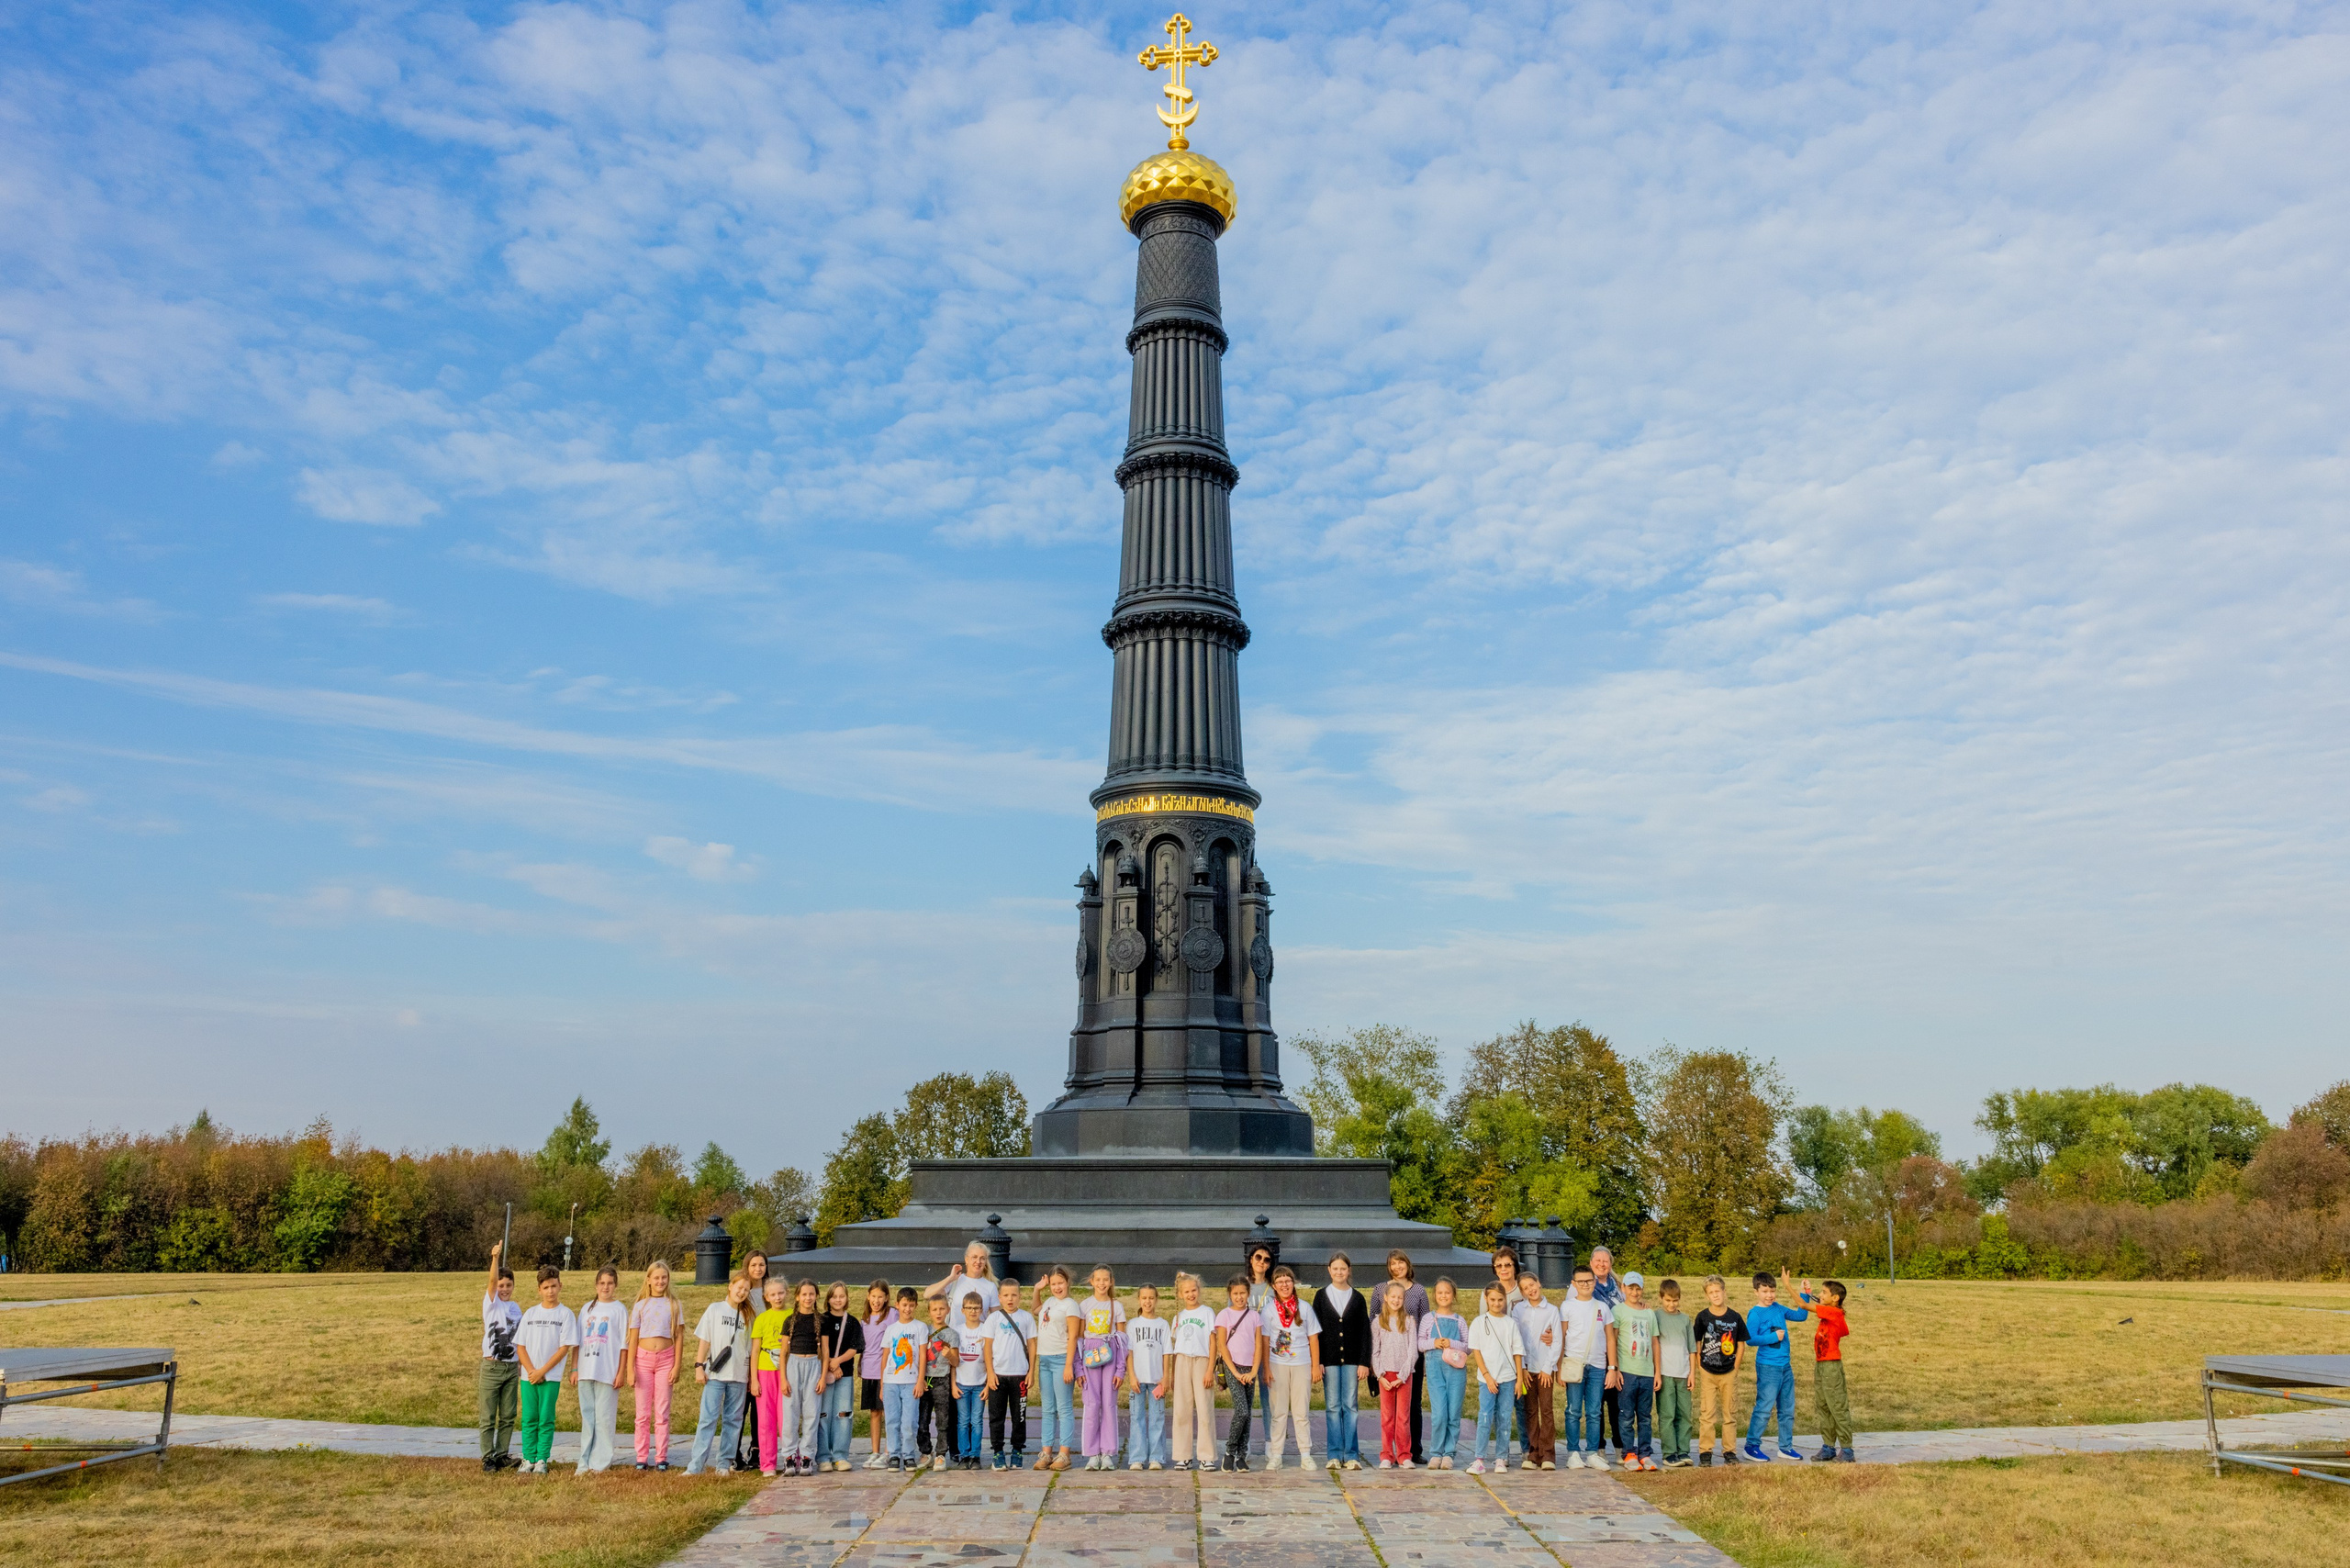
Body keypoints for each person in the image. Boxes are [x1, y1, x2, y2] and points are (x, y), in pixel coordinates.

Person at [513, 1264, 578, 1476]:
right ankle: (528, 1458)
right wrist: (531, 1370)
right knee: (529, 1418)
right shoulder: (530, 1313)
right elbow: (520, 1346)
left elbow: (563, 1348)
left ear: (560, 1286)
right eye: (545, 1287)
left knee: (545, 1418)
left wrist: (543, 1371)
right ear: (539, 1290)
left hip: (550, 1376)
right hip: (528, 1377)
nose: (550, 1291)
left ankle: (541, 1459)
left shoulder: (566, 1315)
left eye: (553, 1286)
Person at [686, 1271, 754, 1474]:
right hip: (716, 1375)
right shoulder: (715, 1309)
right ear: (730, 1286)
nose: (742, 1292)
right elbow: (705, 1339)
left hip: (739, 1375)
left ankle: (724, 1463)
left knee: (733, 1421)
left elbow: (750, 1347)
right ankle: (696, 1465)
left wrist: (750, 1376)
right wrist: (699, 1366)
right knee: (708, 1419)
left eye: (746, 1290)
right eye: (739, 1287)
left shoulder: (748, 1316)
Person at [1740, 1271, 1809, 1462]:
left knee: (1787, 1409)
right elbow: (1750, 1339)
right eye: (1765, 1291)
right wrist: (1772, 1337)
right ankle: (1751, 1446)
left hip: (1785, 1366)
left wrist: (1803, 1293)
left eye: (1772, 1291)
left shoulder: (1778, 1308)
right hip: (1768, 1367)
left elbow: (1801, 1316)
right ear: (1756, 1292)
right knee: (1764, 1407)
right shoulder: (1755, 1314)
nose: (1769, 1295)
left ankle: (1785, 1447)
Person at [1314, 1253, 1371, 1471]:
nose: (1339, 1272)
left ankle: (1352, 1454)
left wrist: (1364, 1362)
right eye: (1335, 1268)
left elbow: (1365, 1332)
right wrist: (1317, 1361)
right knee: (1332, 1407)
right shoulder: (1321, 1296)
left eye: (1343, 1269)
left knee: (1351, 1406)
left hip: (1351, 1361)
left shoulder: (1357, 1298)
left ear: (1349, 1270)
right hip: (1328, 1361)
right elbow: (1315, 1331)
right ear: (1329, 1270)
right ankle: (1334, 1454)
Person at [1261, 1265, 1321, 1468]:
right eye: (1280, 1282)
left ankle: (1305, 1454)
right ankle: (1276, 1454)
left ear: (1293, 1283)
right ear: (1274, 1286)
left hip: (1301, 1363)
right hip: (1277, 1364)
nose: (1284, 1285)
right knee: (1278, 1411)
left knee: (1301, 1411)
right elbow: (1265, 1340)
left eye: (1287, 1281)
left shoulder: (1304, 1307)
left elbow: (1313, 1338)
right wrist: (1266, 1368)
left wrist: (1314, 1366)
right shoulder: (1269, 1310)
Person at [628, 1259, 685, 1471]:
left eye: (664, 1277)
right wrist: (630, 1369)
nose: (660, 1281)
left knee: (662, 1411)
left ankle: (661, 1456)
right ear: (649, 1280)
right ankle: (641, 1457)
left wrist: (677, 1365)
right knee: (642, 1414)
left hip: (666, 1359)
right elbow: (632, 1338)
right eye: (656, 1278)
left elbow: (679, 1336)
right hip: (642, 1360)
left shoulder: (674, 1304)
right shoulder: (641, 1305)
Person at [574, 1264, 629, 1474]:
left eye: (610, 1283)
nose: (606, 1287)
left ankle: (601, 1461)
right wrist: (574, 1368)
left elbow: (624, 1345)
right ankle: (584, 1461)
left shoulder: (619, 1310)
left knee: (604, 1418)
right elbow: (578, 1341)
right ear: (596, 1285)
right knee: (588, 1417)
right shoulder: (587, 1308)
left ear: (615, 1285)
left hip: (607, 1371)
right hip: (586, 1370)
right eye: (602, 1283)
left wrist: (621, 1372)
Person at [1464, 1281, 1525, 1475]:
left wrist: (1519, 1379)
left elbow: (1517, 1352)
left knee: (1505, 1417)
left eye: (1500, 1300)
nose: (1497, 1303)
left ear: (1505, 1300)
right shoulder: (1478, 1323)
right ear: (1486, 1299)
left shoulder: (1510, 1323)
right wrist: (1488, 1376)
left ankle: (1501, 1457)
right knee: (1485, 1416)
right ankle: (1479, 1459)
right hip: (1486, 1379)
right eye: (1493, 1299)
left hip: (1508, 1378)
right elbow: (1477, 1352)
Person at [1560, 1264, 1616, 1470]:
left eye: (1589, 1281)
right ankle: (1573, 1453)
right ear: (1574, 1284)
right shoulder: (1567, 1307)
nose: (1586, 1284)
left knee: (1594, 1412)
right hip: (1574, 1364)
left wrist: (1612, 1367)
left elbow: (1610, 1338)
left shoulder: (1602, 1307)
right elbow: (1562, 1337)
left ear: (1594, 1282)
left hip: (1598, 1366)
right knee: (1573, 1410)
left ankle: (1593, 1452)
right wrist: (1559, 1367)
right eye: (1581, 1281)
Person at [1073, 1269, 1130, 1471]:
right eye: (1098, 1279)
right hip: (1090, 1355)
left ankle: (1107, 1453)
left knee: (1109, 1404)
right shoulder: (1084, 1305)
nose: (1102, 1283)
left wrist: (1120, 1370)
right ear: (1092, 1281)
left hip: (1111, 1355)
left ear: (1112, 1282)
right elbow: (1079, 1338)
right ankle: (1092, 1453)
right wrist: (1078, 1368)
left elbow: (1123, 1341)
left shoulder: (1118, 1306)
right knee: (1091, 1403)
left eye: (1106, 1280)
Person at [1377, 1251, 1430, 1464]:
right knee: (1389, 1412)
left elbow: (1425, 1320)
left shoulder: (1418, 1290)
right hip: (1387, 1357)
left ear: (1408, 1264)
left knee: (1412, 1405)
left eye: (1401, 1263)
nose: (1397, 1267)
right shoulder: (1381, 1289)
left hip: (1411, 1356)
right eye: (1393, 1264)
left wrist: (1418, 1356)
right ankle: (1388, 1453)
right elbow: (1374, 1317)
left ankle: (1411, 1451)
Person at [1692, 1274, 1747, 1467]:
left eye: (1718, 1291)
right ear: (1707, 1295)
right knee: (1707, 1413)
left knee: (1729, 1413)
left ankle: (1729, 1451)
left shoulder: (1735, 1317)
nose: (1715, 1295)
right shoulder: (1703, 1317)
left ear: (1724, 1292)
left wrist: (1736, 1367)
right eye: (1711, 1293)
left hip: (1728, 1372)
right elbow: (1696, 1342)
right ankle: (1705, 1452)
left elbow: (1741, 1344)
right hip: (1708, 1370)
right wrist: (1700, 1364)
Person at [1168, 1271, 1220, 1471]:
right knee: (1182, 1410)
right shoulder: (1178, 1316)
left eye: (1193, 1290)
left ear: (1199, 1290)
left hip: (1202, 1361)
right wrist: (1173, 1375)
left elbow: (1212, 1342)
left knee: (1205, 1409)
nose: (1191, 1294)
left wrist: (1209, 1370)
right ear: (1181, 1294)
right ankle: (1183, 1455)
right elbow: (1175, 1348)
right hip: (1182, 1362)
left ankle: (1207, 1456)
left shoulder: (1207, 1312)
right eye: (1186, 1291)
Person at [478, 1242, 523, 1473]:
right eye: (501, 1285)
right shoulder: (491, 1303)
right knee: (488, 1416)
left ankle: (502, 1454)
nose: (504, 1289)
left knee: (507, 1415)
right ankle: (488, 1458)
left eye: (508, 1285)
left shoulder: (516, 1308)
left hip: (511, 1367)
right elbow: (491, 1283)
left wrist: (521, 1366)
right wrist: (494, 1258)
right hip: (492, 1367)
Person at [1417, 1277, 1470, 1470]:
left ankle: (1449, 1453)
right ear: (1434, 1295)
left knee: (1453, 1413)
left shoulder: (1460, 1320)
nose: (1443, 1296)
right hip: (1434, 1370)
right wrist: (1434, 1343)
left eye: (1447, 1292)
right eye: (1440, 1293)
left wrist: (1451, 1343)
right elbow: (1420, 1343)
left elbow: (1468, 1346)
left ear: (1453, 1295)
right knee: (1439, 1414)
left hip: (1456, 1372)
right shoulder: (1428, 1319)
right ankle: (1436, 1453)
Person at [1800, 1279, 1854, 1462]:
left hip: (1832, 1365)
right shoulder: (1829, 1313)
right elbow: (1814, 1302)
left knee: (1837, 1407)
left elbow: (1802, 1305)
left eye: (1824, 1292)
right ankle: (1828, 1447)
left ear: (1835, 1298)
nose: (1820, 1294)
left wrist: (1786, 1284)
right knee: (1823, 1406)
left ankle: (1847, 1450)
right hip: (1821, 1364)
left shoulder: (1835, 1313)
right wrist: (1808, 1292)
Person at [1034, 1267, 1081, 1471]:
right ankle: (1046, 1452)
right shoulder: (1049, 1302)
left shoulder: (1070, 1306)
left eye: (1060, 1283)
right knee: (1047, 1408)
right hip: (1044, 1359)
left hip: (1061, 1359)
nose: (1057, 1287)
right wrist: (1037, 1290)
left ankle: (1064, 1453)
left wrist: (1069, 1365)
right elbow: (1035, 1310)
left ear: (1067, 1283)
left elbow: (1073, 1336)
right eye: (1053, 1284)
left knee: (1063, 1408)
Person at [985, 1278, 1036, 1470]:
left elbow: (1032, 1345)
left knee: (1019, 1416)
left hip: (1020, 1375)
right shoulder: (994, 1319)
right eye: (1006, 1295)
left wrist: (1031, 1372)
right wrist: (990, 1373)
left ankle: (1017, 1451)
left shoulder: (1026, 1318)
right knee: (996, 1416)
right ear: (999, 1297)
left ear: (1020, 1297)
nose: (1010, 1299)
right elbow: (988, 1347)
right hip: (998, 1375)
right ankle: (998, 1452)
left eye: (1014, 1295)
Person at [878, 1284, 929, 1471]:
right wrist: (882, 1385)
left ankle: (909, 1454)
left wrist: (920, 1380)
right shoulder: (891, 1329)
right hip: (891, 1381)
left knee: (909, 1421)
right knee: (892, 1420)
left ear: (916, 1306)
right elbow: (885, 1358)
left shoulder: (920, 1327)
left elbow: (922, 1355)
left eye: (911, 1305)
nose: (908, 1309)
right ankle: (894, 1454)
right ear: (897, 1305)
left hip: (911, 1382)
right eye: (904, 1305)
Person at [1514, 1271, 1561, 1470]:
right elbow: (1517, 1340)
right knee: (1530, 1411)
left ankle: (1548, 1454)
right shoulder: (1518, 1310)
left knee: (1547, 1410)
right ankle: (1533, 1453)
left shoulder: (1551, 1310)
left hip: (1544, 1369)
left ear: (1539, 1283)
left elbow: (1557, 1340)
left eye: (1532, 1284)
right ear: (1522, 1292)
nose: (1530, 1290)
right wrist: (1522, 1368)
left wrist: (1547, 1368)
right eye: (1525, 1288)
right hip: (1526, 1370)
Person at [1613, 1271, 1661, 1471]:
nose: (1634, 1292)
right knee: (1625, 1415)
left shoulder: (1649, 1313)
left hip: (1647, 1372)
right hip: (1627, 1371)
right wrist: (1615, 1369)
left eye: (1638, 1288)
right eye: (1630, 1288)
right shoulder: (1618, 1311)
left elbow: (1654, 1342)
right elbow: (1613, 1341)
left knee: (1645, 1416)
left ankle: (1645, 1453)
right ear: (1623, 1288)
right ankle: (1628, 1453)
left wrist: (1657, 1371)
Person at [1215, 1274, 1262, 1471]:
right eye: (1235, 1293)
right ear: (1230, 1295)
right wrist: (1234, 1372)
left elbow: (1259, 1345)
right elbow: (1222, 1346)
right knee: (1241, 1410)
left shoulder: (1254, 1316)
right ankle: (1230, 1450)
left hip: (1249, 1370)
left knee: (1248, 1414)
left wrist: (1253, 1372)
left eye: (1243, 1293)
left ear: (1248, 1294)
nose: (1239, 1297)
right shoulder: (1224, 1315)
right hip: (1232, 1367)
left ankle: (1241, 1455)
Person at [817, 1281, 865, 1473]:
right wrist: (829, 1364)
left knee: (843, 1414)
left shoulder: (852, 1321)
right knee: (824, 1414)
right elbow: (818, 1346)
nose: (838, 1300)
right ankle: (823, 1456)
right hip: (824, 1374)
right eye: (834, 1296)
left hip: (844, 1374)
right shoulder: (821, 1319)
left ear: (846, 1298)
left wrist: (837, 1362)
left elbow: (856, 1347)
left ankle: (840, 1455)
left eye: (841, 1296)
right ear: (828, 1299)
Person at [780, 1278, 826, 1475]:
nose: (808, 1298)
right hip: (793, 1366)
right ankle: (789, 1456)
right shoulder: (790, 1320)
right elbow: (783, 1353)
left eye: (811, 1294)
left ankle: (807, 1456)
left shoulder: (821, 1320)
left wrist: (823, 1377)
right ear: (797, 1297)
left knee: (811, 1412)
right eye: (804, 1294)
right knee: (790, 1413)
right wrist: (783, 1378)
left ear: (816, 1296)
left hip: (813, 1366)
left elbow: (825, 1351)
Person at [1371, 1280, 1418, 1469]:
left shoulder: (1408, 1321)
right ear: (1385, 1298)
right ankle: (1387, 1455)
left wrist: (1403, 1375)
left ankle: (1404, 1454)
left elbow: (1412, 1351)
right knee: (1387, 1416)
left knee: (1403, 1417)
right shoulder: (1378, 1322)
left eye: (1400, 1297)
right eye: (1393, 1297)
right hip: (1385, 1375)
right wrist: (1380, 1375)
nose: (1396, 1300)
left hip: (1404, 1375)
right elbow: (1375, 1351)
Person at [1124, 1282, 1170, 1470]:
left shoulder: (1163, 1324)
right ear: (1139, 1300)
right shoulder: (1133, 1325)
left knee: (1157, 1418)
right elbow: (1129, 1353)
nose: (1148, 1301)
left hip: (1157, 1380)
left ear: (1157, 1299)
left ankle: (1156, 1457)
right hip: (1138, 1380)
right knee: (1137, 1417)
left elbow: (1167, 1352)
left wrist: (1166, 1377)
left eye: (1151, 1298)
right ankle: (1137, 1457)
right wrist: (1132, 1376)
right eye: (1144, 1298)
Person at [1653, 1279, 1696, 1469]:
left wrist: (1692, 1374)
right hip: (1665, 1373)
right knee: (1667, 1414)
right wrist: (1656, 1373)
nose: (1672, 1304)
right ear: (1661, 1298)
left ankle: (1683, 1450)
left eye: (1675, 1300)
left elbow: (1692, 1349)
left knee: (1685, 1414)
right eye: (1668, 1300)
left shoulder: (1685, 1319)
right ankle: (1669, 1453)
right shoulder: (1655, 1316)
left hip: (1683, 1373)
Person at [750, 1277, 790, 1477]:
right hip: (765, 1371)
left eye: (781, 1293)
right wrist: (754, 1379)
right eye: (773, 1294)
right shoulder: (762, 1319)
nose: (777, 1297)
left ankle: (791, 1457)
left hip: (787, 1371)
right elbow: (755, 1351)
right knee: (766, 1419)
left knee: (786, 1418)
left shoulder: (793, 1315)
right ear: (766, 1297)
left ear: (787, 1293)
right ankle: (767, 1463)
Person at [735, 1249, 771, 1473]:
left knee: (760, 1408)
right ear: (747, 1267)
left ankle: (758, 1449)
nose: (758, 1269)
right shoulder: (742, 1292)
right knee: (740, 1407)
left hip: (764, 1357)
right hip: (743, 1354)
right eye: (754, 1265)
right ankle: (734, 1451)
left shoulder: (770, 1292)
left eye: (762, 1265)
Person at [1589, 1248, 1626, 1454]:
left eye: (1605, 1261)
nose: (1602, 1264)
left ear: (1610, 1264)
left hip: (1618, 1349)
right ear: (1591, 1261)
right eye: (1598, 1260)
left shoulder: (1619, 1288)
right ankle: (1599, 1446)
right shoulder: (1584, 1283)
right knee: (1598, 1401)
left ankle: (1620, 1445)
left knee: (1616, 1402)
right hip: (1596, 1349)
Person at [858, 1280, 898, 1469]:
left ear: (886, 1298)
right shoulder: (864, 1319)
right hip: (869, 1370)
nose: (876, 1300)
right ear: (868, 1296)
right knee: (875, 1412)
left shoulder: (891, 1315)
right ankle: (875, 1451)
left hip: (887, 1372)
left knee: (888, 1411)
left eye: (880, 1297)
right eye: (873, 1296)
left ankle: (889, 1452)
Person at [952, 1290, 993, 1469]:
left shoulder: (986, 1330)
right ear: (962, 1310)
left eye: (976, 1308)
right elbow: (953, 1362)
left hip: (979, 1384)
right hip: (961, 1383)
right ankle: (964, 1454)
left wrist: (988, 1385)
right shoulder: (957, 1331)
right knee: (963, 1421)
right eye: (969, 1308)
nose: (973, 1311)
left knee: (976, 1420)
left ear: (982, 1309)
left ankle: (975, 1455)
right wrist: (953, 1384)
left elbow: (991, 1358)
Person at [1244, 1245, 1279, 1451]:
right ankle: (1244, 1443)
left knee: (1269, 1400)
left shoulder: (1273, 1289)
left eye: (1267, 1260)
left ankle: (1270, 1442)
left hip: (1269, 1348)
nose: (1262, 1262)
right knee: (1245, 1400)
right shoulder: (1242, 1285)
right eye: (1258, 1257)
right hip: (1246, 1350)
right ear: (1251, 1259)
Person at [920, 1294, 957, 1468]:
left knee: (943, 1419)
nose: (939, 1312)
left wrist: (950, 1354)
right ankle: (926, 1452)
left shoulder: (952, 1334)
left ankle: (941, 1453)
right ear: (929, 1312)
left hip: (942, 1380)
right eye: (935, 1309)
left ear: (948, 1310)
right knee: (922, 1419)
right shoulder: (923, 1331)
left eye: (942, 1309)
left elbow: (956, 1362)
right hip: (924, 1380)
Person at [926, 1239, 1001, 1318]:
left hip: (980, 1330)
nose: (978, 1261)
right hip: (955, 1330)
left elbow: (996, 1317)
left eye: (982, 1258)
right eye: (974, 1257)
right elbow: (927, 1295)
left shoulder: (990, 1286)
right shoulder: (955, 1281)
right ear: (966, 1259)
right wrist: (950, 1278)